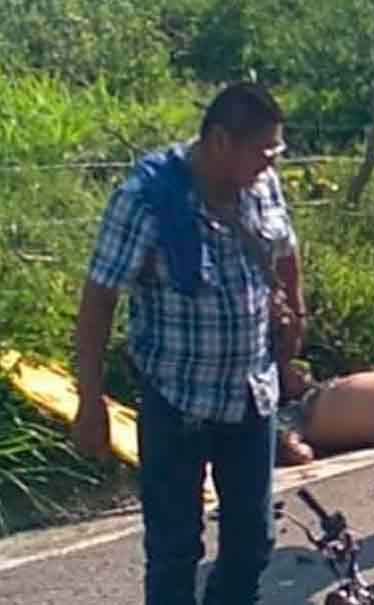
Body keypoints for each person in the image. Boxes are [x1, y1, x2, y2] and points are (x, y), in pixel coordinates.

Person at [72, 82, 300, 605]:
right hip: (178, 401)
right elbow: (98, 300)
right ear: (220, 141)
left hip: (250, 394)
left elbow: (285, 249)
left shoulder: (260, 186)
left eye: (275, 153)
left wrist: (294, 308)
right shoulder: (146, 200)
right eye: (262, 151)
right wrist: (91, 401)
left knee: (253, 542)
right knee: (176, 550)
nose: (270, 164)